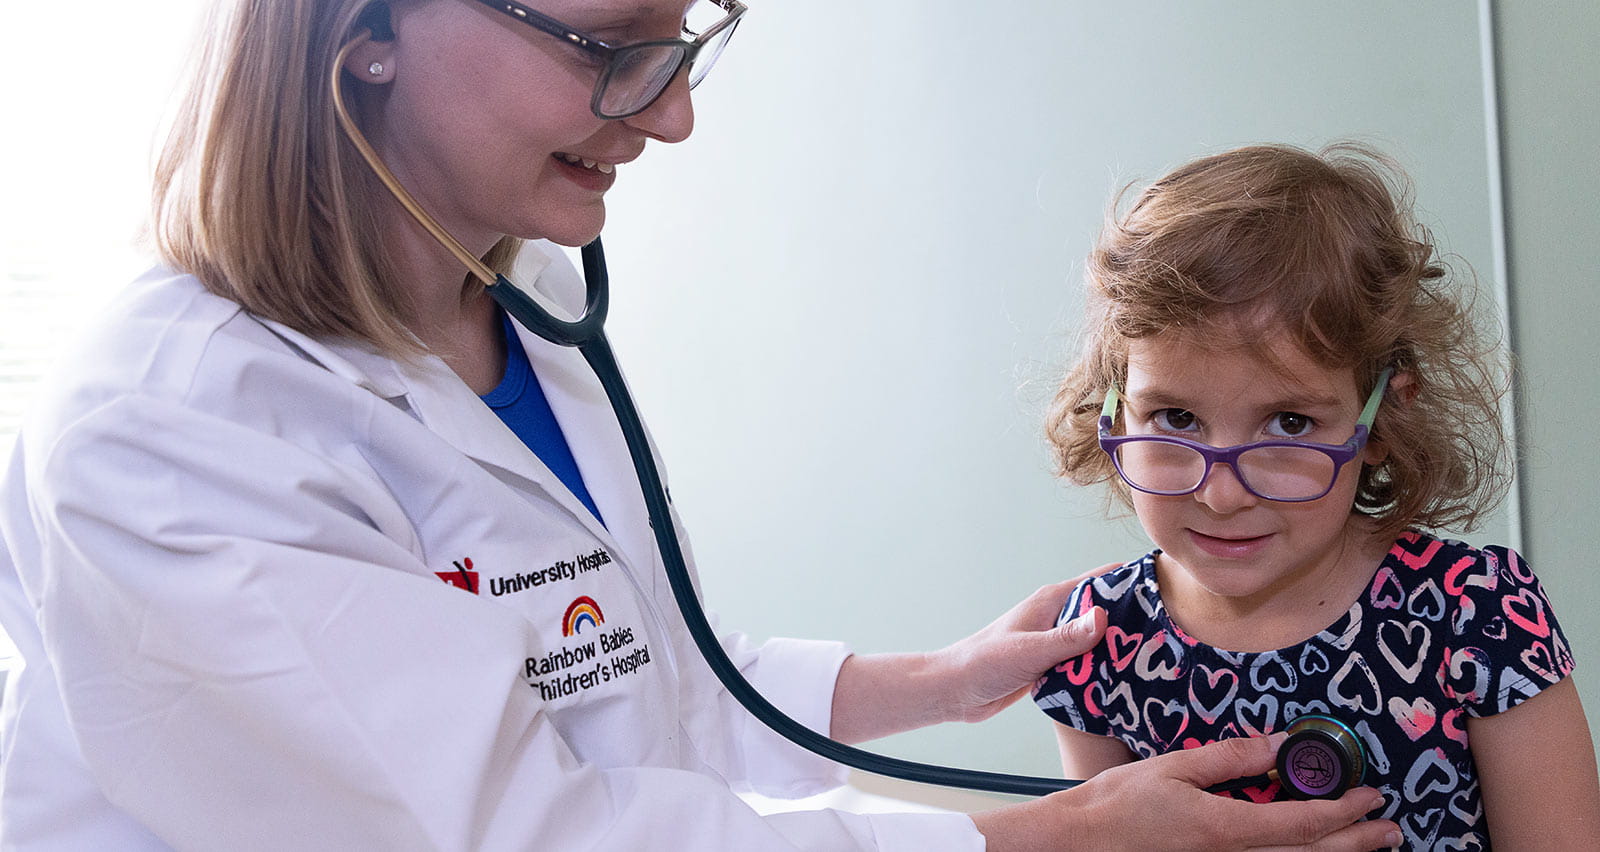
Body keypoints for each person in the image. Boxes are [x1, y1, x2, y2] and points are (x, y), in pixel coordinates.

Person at [0, 2, 1401, 849]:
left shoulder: (523, 307)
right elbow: (516, 832)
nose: (669, 114)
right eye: (610, 44)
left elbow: (626, 684)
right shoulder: (173, 436)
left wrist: (937, 680)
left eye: (683, 42)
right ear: (362, 34)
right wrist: (1037, 841)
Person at [1031, 142, 1600, 848]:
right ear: (1113, 410)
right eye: (1176, 418)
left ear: (1383, 419)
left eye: (1290, 423)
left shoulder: (1479, 617)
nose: (1223, 492)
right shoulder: (1096, 644)